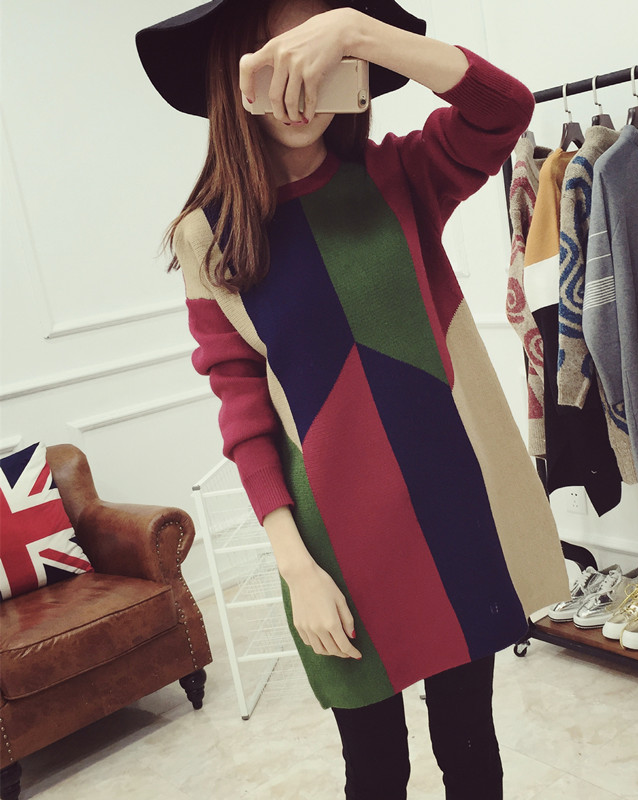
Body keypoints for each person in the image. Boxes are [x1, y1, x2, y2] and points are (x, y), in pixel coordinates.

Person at [136, 1, 569, 797]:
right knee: (374, 770)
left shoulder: (401, 174)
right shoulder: (208, 235)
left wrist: (360, 32)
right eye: (273, 56)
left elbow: (505, 109)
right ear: (233, 74)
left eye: (320, 56)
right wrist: (295, 569)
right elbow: (243, 410)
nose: (300, 82)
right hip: (329, 544)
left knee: (470, 748)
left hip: (451, 513)